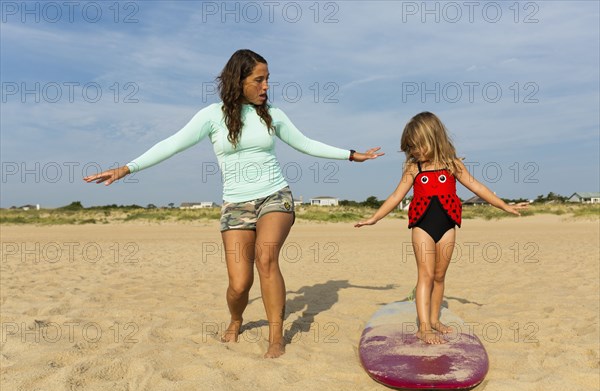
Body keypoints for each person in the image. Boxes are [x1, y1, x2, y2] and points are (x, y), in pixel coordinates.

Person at [84, 49, 383, 358]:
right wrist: (127, 168)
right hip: (236, 204)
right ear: (238, 80)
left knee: (266, 259)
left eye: (268, 79)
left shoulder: (273, 114)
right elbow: (171, 144)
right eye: (259, 79)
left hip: (274, 195)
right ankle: (237, 318)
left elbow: (306, 143)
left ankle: (276, 337)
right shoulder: (212, 116)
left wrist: (351, 154)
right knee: (240, 284)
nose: (266, 86)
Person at [354, 111, 527, 344]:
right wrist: (375, 218)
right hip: (422, 226)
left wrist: (505, 206)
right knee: (424, 275)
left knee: (439, 275)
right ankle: (424, 327)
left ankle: (434, 320)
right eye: (410, 148)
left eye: (417, 146)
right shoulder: (415, 169)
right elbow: (396, 196)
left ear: (433, 138)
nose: (414, 152)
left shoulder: (452, 165)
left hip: (447, 225)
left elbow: (478, 188)